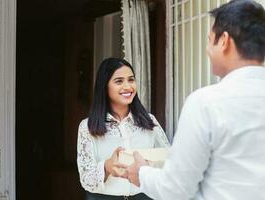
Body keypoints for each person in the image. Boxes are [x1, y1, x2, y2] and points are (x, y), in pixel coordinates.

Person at [122, 0, 265, 200]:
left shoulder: (206, 103)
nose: (207, 49)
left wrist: (141, 173)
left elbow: (175, 190)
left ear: (224, 41)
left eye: (209, 39)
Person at [77, 57, 170, 200]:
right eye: (119, 81)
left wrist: (148, 168)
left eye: (131, 80)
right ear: (104, 86)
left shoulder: (149, 121)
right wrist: (107, 167)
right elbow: (86, 179)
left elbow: (169, 162)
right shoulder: (87, 127)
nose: (128, 87)